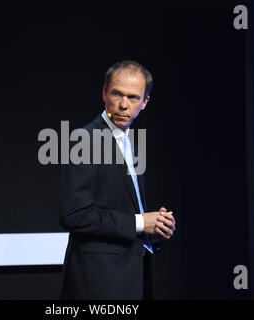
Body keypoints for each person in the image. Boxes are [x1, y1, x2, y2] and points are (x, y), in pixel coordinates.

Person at [59, 60, 176, 299]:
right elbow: (74, 214)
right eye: (117, 94)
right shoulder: (86, 140)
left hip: (130, 277)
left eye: (133, 98)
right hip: (98, 284)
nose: (123, 105)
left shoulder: (128, 142)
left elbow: (126, 209)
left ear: (145, 103)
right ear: (104, 93)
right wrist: (141, 223)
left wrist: (155, 228)